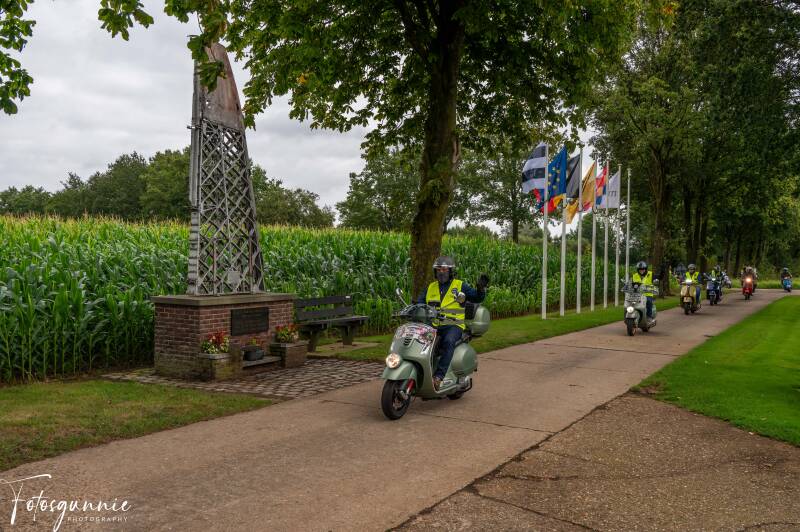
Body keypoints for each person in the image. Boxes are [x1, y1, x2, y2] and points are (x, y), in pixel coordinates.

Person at [417, 256, 488, 390]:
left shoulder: (459, 285)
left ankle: (438, 377)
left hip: (453, 324)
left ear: (450, 271)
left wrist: (480, 289)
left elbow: (476, 297)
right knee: (420, 341)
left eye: (444, 269)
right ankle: (422, 372)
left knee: (449, 341)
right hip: (434, 325)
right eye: (438, 269)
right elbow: (419, 302)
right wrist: (413, 308)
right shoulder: (430, 287)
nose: (441, 272)